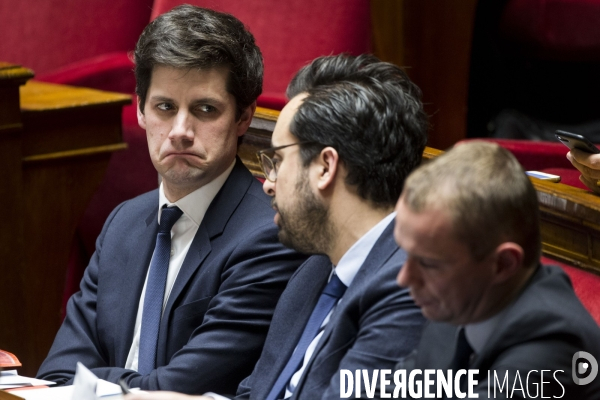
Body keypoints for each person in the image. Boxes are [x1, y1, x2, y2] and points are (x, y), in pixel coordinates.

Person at [36, 5, 306, 395]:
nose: (180, 131)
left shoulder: (271, 233)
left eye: (205, 109)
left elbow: (179, 389)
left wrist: (93, 384)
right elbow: (57, 375)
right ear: (142, 111)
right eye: (165, 107)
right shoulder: (123, 223)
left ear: (244, 117)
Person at [125, 53, 429, 400]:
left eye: (278, 161)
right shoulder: (313, 273)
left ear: (325, 167)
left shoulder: (411, 288)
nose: (268, 183)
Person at [393, 141, 600, 398]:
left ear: (503, 265)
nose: (404, 278)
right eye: (407, 253)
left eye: (428, 263)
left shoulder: (552, 345)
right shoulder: (460, 297)